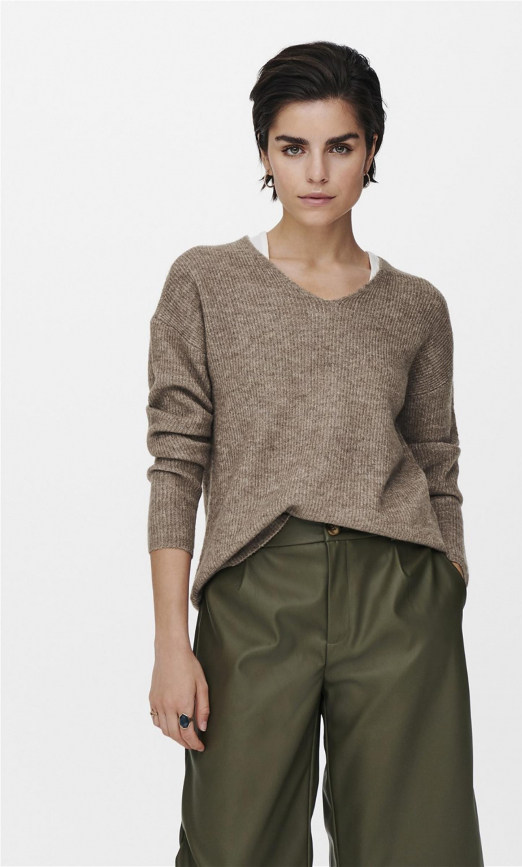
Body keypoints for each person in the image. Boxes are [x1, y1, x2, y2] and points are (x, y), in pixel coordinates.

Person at [146, 40, 484, 867]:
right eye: (293, 147)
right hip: (256, 589)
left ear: (371, 149)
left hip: (398, 591)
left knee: (416, 850)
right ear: (265, 152)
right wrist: (171, 642)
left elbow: (436, 454)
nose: (317, 172)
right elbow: (177, 461)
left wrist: (449, 572)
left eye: (341, 146)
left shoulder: (416, 306)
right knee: (233, 846)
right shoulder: (205, 282)